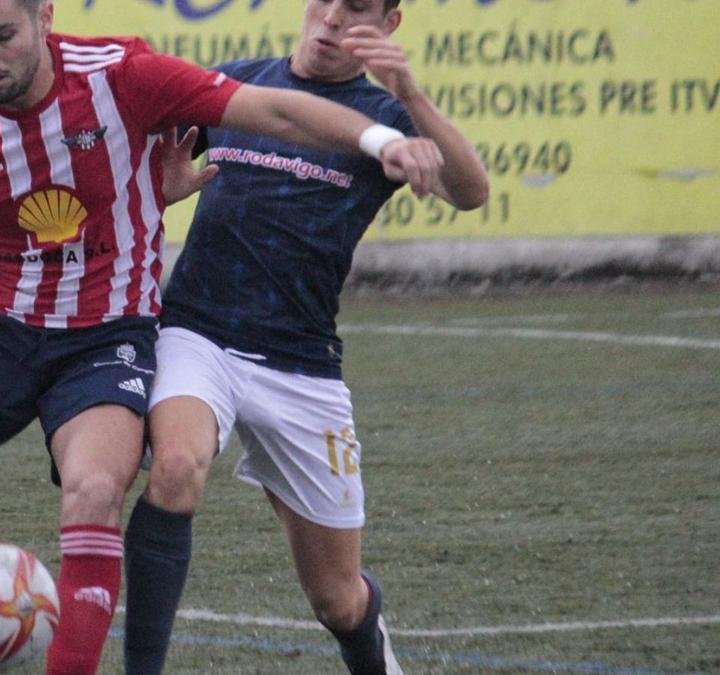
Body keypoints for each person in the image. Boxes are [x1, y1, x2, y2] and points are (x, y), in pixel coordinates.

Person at [0, 0, 444, 673]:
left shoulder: (120, 73)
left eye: (3, 36)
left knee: (96, 490)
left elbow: (275, 110)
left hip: (106, 338)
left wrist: (382, 141)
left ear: (44, 17)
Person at [122, 1, 491, 673]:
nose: (330, 19)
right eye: (323, 1)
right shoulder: (235, 85)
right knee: (175, 469)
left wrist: (408, 92)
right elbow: (128, 166)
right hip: (195, 332)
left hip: (302, 363)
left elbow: (470, 190)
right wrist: (158, 191)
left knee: (337, 600)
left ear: (388, 24)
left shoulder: (388, 122)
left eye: (354, 10)